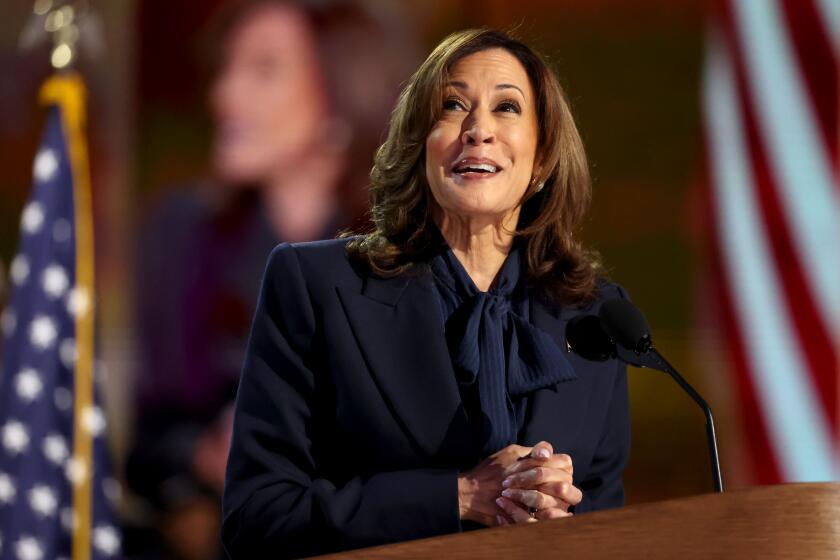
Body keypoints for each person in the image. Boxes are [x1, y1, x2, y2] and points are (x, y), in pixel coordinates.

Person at [222, 28, 631, 558]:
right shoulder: (317, 286)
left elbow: (609, 525)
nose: (478, 129)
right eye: (453, 105)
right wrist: (459, 496)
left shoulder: (595, 317)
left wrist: (561, 517)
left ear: (543, 159)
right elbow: (258, 517)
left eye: (507, 108)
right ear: (419, 146)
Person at [127, 2, 414, 558]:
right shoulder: (180, 234)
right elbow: (146, 447)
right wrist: (205, 453)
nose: (224, 96)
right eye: (227, 68)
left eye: (263, 70)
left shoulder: (411, 254)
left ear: (340, 98)